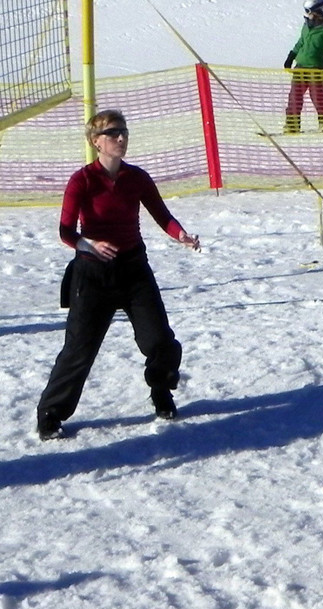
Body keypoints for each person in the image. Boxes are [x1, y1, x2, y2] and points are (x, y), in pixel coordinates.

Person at [36, 109, 201, 441]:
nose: (121, 138)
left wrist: (180, 234)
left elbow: (163, 216)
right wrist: (89, 244)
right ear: (96, 141)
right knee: (79, 349)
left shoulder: (136, 177)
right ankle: (50, 413)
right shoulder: (82, 180)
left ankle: (160, 390)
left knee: (161, 342)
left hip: (133, 269)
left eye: (123, 131)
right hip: (92, 274)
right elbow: (66, 232)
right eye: (113, 133)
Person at [283, 0, 323, 134]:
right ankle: (292, 125)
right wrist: (291, 56)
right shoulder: (307, 24)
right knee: (294, 97)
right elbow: (301, 41)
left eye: (309, 11)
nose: (307, 14)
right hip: (301, 67)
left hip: (315, 68)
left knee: (318, 97)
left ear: (318, 11)